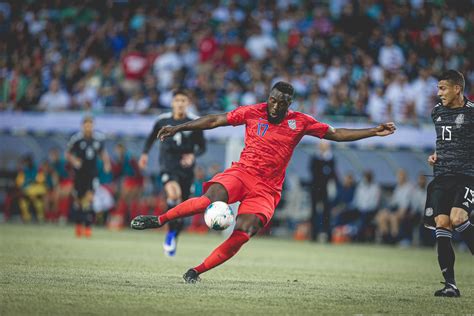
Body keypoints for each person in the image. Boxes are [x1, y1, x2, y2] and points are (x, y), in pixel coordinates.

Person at [131, 81, 396, 283]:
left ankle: (195, 271)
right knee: (207, 200)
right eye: (272, 100)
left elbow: (336, 134)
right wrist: (179, 127)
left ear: (289, 103)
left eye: (282, 103)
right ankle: (160, 220)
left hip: (267, 189)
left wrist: (374, 130)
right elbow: (215, 120)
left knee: (243, 233)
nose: (275, 106)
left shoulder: (300, 122)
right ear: (268, 98)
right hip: (241, 173)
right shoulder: (252, 112)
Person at [423, 70, 474, 297]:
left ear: (457, 89)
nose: (439, 93)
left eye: (443, 88)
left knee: (458, 218)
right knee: (442, 224)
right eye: (438, 88)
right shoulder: (437, 112)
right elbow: (445, 142)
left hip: (467, 176)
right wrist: (435, 155)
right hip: (442, 176)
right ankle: (450, 285)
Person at [138, 90, 206, 257]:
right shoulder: (162, 120)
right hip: (168, 165)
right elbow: (151, 138)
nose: (180, 103)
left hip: (186, 170)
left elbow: (202, 147)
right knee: (173, 194)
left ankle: (173, 235)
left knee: (182, 207)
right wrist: (145, 154)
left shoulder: (194, 122)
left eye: (183, 100)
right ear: (172, 103)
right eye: (177, 100)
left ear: (188, 103)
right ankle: (169, 230)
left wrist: (193, 155)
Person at [66, 116, 110, 238]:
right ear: (82, 126)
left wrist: (106, 163)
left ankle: (88, 227)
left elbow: (102, 153)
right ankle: (79, 225)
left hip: (92, 174)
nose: (88, 127)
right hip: (79, 174)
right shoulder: (76, 139)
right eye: (86, 125)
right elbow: (68, 153)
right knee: (79, 201)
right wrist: (74, 161)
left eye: (90, 125)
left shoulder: (98, 139)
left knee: (90, 199)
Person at [309, 140, 337, 242]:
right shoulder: (315, 157)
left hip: (326, 189)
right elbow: (312, 172)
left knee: (327, 212)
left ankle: (328, 235)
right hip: (315, 188)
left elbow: (333, 174)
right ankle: (314, 235)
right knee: (314, 212)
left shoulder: (331, 158)